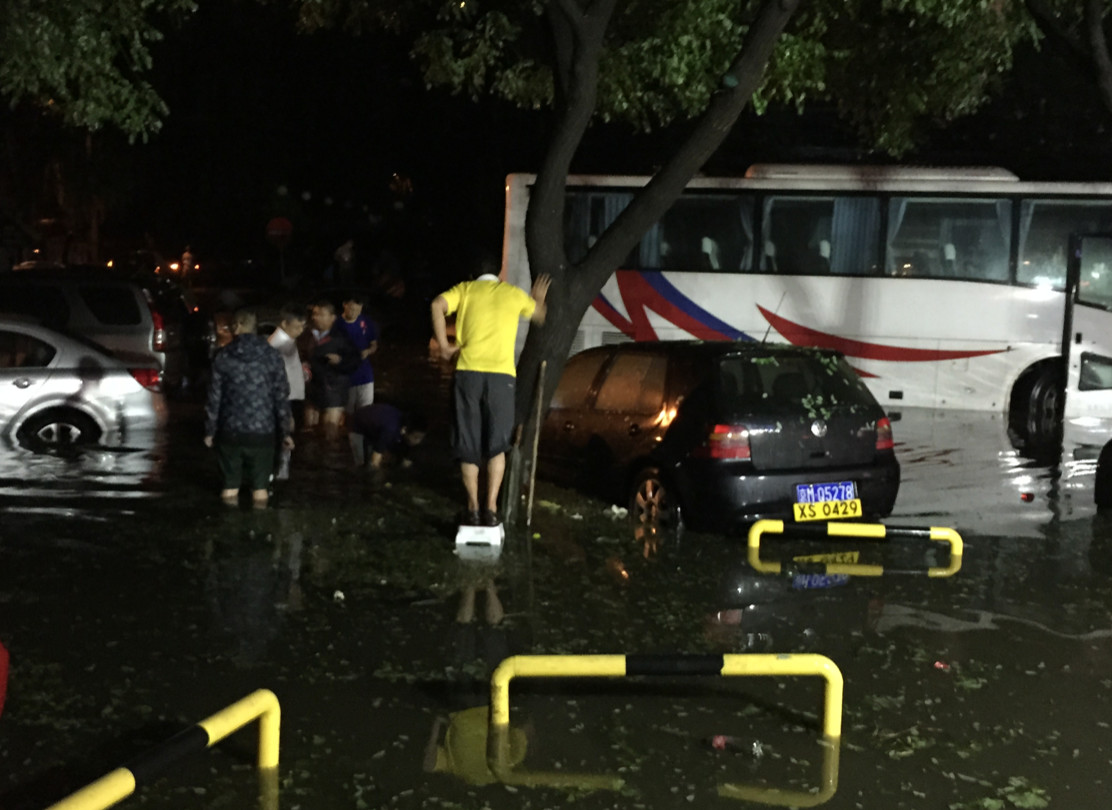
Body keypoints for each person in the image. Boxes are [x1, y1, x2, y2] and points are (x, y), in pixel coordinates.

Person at [431, 261, 550, 526]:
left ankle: (473, 508)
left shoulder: (465, 290)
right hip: (501, 378)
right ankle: (492, 508)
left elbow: (437, 305)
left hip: (468, 374)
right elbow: (540, 316)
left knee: (468, 444)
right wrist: (538, 300)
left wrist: (444, 346)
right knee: (498, 445)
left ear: (472, 274)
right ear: (499, 273)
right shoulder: (511, 293)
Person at [204, 309, 293, 508]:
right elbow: (281, 396)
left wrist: (210, 431)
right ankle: (260, 523)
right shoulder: (272, 356)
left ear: (237, 326)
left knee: (230, 487)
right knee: (260, 489)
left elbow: (214, 398)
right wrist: (285, 431)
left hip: (230, 432)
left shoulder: (223, 356)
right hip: (263, 433)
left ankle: (229, 522)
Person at [306, 300, 359, 433]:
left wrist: (340, 361)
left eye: (321, 314)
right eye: (314, 314)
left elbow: (355, 361)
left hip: (334, 390)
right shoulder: (306, 335)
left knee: (330, 430)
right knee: (309, 430)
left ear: (332, 318)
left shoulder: (342, 338)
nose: (315, 317)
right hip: (313, 389)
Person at [268, 306, 308, 478]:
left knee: (287, 436)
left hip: (293, 395)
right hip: (287, 398)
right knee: (285, 436)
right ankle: (279, 472)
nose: (301, 330)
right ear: (284, 323)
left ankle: (281, 470)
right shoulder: (278, 343)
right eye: (297, 326)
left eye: (303, 326)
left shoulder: (287, 340)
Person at [348, 402, 427, 470]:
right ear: (405, 429)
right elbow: (375, 461)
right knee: (361, 464)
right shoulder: (390, 430)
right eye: (416, 437)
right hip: (356, 426)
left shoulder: (402, 423)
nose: (418, 441)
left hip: (372, 427)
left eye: (420, 438)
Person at [338, 293, 379, 414]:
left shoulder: (366, 322)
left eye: (358, 309)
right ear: (345, 305)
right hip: (345, 378)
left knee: (366, 412)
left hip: (365, 376)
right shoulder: (337, 324)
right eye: (352, 308)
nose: (355, 312)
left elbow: (374, 344)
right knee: (347, 414)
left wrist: (368, 351)